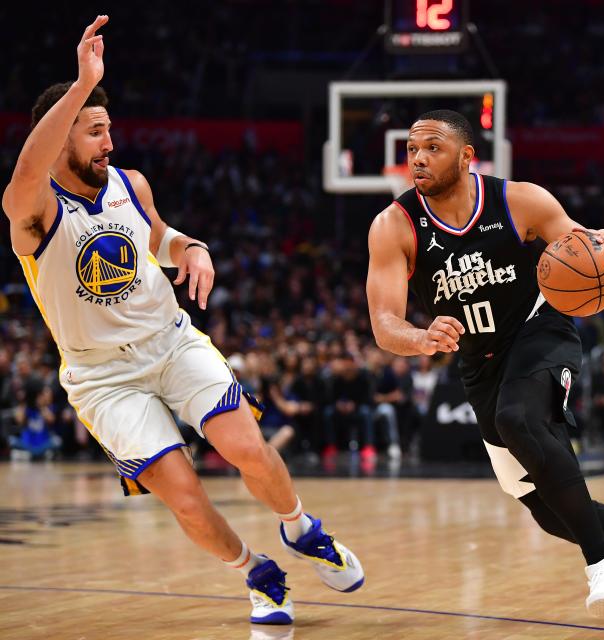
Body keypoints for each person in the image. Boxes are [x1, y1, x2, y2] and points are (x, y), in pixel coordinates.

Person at [1, 16, 362, 625]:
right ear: (62, 136)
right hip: (102, 379)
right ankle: (259, 574)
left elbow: (160, 238)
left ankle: (302, 529)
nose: (109, 141)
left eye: (109, 127)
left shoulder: (129, 182)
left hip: (170, 343)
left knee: (248, 445)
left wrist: (190, 248)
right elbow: (24, 176)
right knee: (187, 498)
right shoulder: (32, 210)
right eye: (94, 131)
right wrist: (82, 83)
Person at [366, 109, 604, 625]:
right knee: (550, 512)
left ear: (466, 156)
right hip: (479, 365)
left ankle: (603, 567)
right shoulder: (393, 226)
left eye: (433, 147)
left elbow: (580, 243)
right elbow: (382, 322)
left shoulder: (519, 199)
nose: (418, 157)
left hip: (541, 330)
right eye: (413, 149)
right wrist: (418, 338)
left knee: (519, 418)